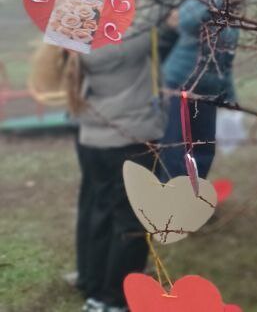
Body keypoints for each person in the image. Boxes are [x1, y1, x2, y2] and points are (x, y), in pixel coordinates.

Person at [68, 17, 176, 312]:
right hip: (131, 137)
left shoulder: (74, 42)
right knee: (131, 220)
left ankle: (95, 288)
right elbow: (161, 20)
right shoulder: (125, 42)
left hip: (93, 136)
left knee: (101, 212)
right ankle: (117, 298)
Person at [156, 0, 242, 181]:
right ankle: (172, 205)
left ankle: (194, 204)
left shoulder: (233, 22)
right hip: (180, 87)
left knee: (203, 152)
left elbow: (225, 62)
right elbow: (186, 21)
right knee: (176, 151)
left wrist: (229, 98)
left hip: (208, 93)